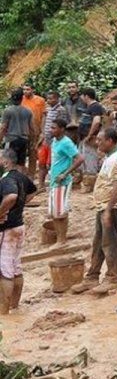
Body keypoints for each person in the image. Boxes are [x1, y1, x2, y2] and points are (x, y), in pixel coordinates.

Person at [71, 128, 117, 296]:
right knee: (99, 243)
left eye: (101, 140)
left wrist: (109, 210)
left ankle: (112, 278)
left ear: (110, 141)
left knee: (111, 243)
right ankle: (92, 276)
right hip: (104, 206)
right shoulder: (111, 158)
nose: (98, 143)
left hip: (112, 207)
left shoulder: (116, 160)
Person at [0, 149, 36, 314]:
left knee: (5, 270)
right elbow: (33, 190)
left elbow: (11, 196)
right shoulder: (21, 176)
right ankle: (15, 306)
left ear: (6, 161)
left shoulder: (7, 179)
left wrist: (2, 212)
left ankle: (4, 311)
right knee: (16, 266)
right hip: (19, 225)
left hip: (6, 228)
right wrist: (19, 207)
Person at [47, 117, 83, 246]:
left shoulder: (66, 143)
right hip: (54, 180)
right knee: (56, 211)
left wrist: (65, 174)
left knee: (59, 212)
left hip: (62, 182)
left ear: (62, 129)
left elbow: (79, 159)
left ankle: (61, 240)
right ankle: (60, 238)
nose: (51, 130)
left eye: (54, 128)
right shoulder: (55, 141)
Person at [0, 90, 33, 173]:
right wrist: (32, 142)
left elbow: (3, 127)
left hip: (11, 139)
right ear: (22, 98)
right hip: (23, 140)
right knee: (21, 163)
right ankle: (19, 182)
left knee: (8, 161)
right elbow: (32, 128)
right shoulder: (28, 111)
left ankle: (9, 181)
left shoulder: (8, 111)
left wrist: (0, 139)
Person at [37, 91, 65, 188]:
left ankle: (54, 183)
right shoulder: (48, 109)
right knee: (41, 163)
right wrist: (42, 133)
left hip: (54, 141)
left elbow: (61, 125)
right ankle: (41, 184)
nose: (48, 100)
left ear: (57, 99)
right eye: (47, 98)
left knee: (51, 163)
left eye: (51, 98)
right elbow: (44, 122)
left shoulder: (61, 110)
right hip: (46, 140)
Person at [77, 88, 105, 177]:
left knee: (90, 160)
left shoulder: (95, 106)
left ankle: (90, 181)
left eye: (82, 96)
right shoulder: (90, 107)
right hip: (84, 138)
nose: (81, 98)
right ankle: (86, 181)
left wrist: (90, 135)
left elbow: (96, 121)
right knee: (84, 160)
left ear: (86, 96)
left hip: (89, 138)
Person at [20, 86, 47, 176]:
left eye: (28, 89)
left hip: (35, 131)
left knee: (33, 154)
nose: (25, 91)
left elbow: (44, 116)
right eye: (24, 89)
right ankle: (22, 174)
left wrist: (42, 131)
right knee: (22, 154)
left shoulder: (40, 100)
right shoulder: (21, 99)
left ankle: (31, 175)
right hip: (23, 132)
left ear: (33, 90)